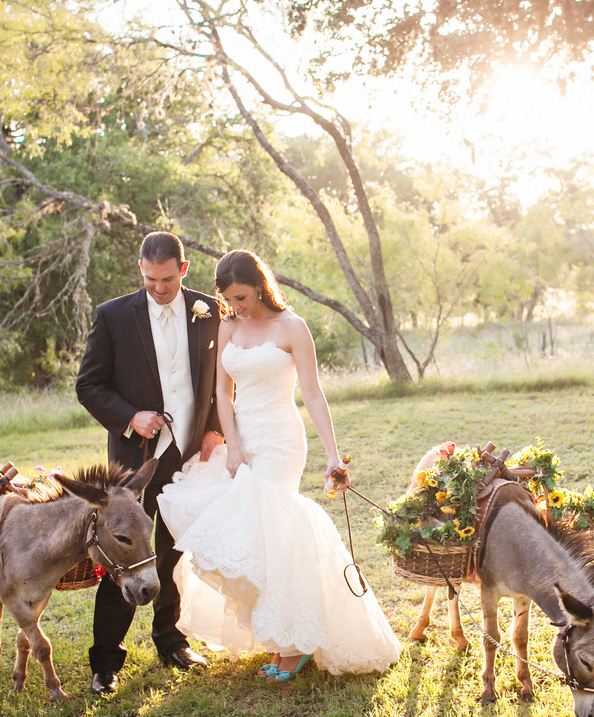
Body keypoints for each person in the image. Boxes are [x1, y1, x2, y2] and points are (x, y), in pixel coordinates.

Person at [158, 250, 400, 681]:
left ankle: (294, 647)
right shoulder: (228, 324)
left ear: (260, 285)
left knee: (276, 532)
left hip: (280, 440)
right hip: (243, 437)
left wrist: (331, 454)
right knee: (249, 538)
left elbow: (313, 393)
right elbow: (222, 395)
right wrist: (233, 446)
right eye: (230, 298)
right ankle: (279, 639)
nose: (238, 306)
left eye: (244, 297)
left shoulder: (293, 327)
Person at [76, 231, 223, 693]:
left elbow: (222, 378)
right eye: (148, 279)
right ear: (139, 268)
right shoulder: (113, 316)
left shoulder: (210, 311)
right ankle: (106, 662)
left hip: (188, 453)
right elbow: (89, 385)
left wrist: (215, 425)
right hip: (133, 463)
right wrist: (130, 417)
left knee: (173, 551)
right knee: (123, 555)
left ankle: (171, 640)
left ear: (183, 269)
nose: (158, 288)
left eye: (165, 279)